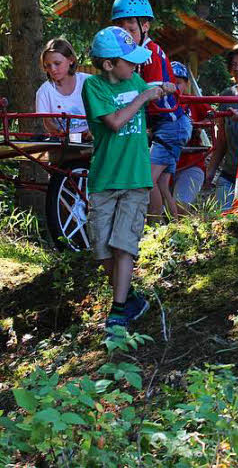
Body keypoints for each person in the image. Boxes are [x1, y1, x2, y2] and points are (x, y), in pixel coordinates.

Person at [82, 26, 175, 331]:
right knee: (102, 250)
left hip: (136, 178)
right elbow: (115, 122)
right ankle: (130, 297)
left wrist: (163, 88)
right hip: (104, 180)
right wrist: (145, 97)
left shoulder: (135, 79)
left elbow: (149, 87)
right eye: (129, 61)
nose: (136, 67)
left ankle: (118, 309)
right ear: (109, 64)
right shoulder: (94, 87)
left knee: (124, 245)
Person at [111, 0, 192, 220]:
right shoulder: (137, 55)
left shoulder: (149, 54)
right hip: (163, 124)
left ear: (145, 26)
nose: (126, 36)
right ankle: (173, 228)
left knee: (145, 179)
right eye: (121, 31)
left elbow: (151, 93)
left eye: (131, 30)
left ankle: (153, 226)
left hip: (171, 123)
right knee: (162, 184)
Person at [202, 51, 238, 209]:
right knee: (222, 224)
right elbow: (222, 140)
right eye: (234, 65)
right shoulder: (227, 96)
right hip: (230, 173)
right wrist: (210, 172)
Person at [164, 62, 210, 208]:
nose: (175, 87)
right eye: (171, 82)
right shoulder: (158, 102)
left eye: (178, 83)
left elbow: (212, 115)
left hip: (191, 162)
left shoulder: (192, 101)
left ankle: (183, 229)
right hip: (163, 164)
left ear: (186, 84)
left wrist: (199, 126)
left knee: (180, 205)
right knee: (159, 207)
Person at [35, 37, 90, 139]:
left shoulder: (88, 82)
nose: (53, 69)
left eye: (57, 63)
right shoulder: (44, 92)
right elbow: (48, 122)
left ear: (71, 60)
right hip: (62, 142)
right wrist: (62, 135)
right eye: (48, 66)